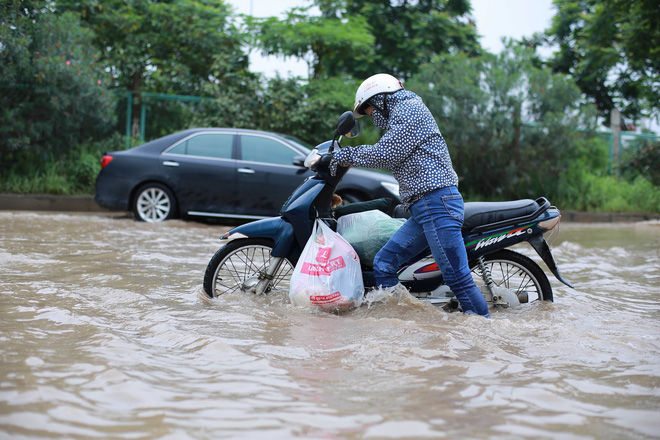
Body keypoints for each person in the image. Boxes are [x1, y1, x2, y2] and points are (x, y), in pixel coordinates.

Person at [329, 73, 490, 317]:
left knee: (457, 278)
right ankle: (400, 325)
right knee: (384, 264)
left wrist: (342, 155)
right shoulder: (402, 112)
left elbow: (385, 154)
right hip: (423, 208)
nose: (373, 117)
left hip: (436, 203)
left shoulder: (409, 109)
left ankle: (483, 336)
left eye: (370, 110)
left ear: (381, 99)